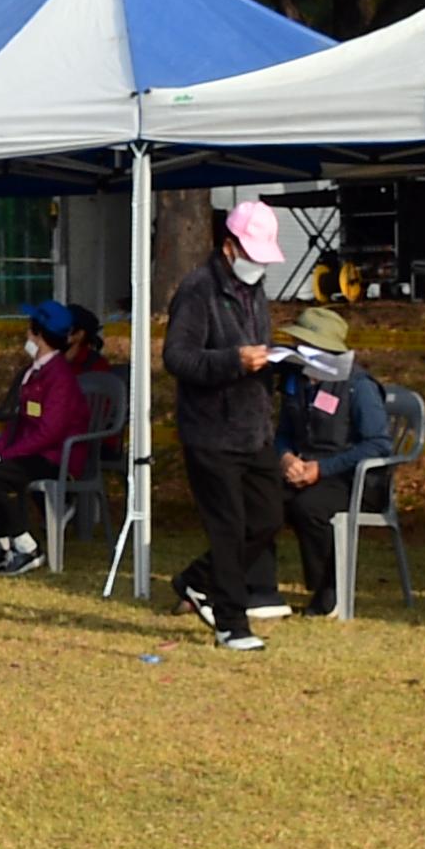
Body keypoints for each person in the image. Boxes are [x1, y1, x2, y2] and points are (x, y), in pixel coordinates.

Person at [167, 199, 288, 649]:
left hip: (254, 426)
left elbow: (259, 346)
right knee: (228, 526)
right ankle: (230, 623)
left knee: (268, 517)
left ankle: (197, 580)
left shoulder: (253, 291)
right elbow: (177, 357)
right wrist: (232, 361)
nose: (258, 265)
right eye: (253, 255)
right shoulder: (198, 290)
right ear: (229, 246)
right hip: (211, 431)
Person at [273, 305, 393, 616]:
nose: (300, 351)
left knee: (308, 507)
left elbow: (378, 444)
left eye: (307, 347)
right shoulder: (295, 381)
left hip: (353, 479)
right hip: (305, 468)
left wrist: (322, 469)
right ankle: (256, 588)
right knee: (259, 497)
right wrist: (284, 457)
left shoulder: (359, 386)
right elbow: (283, 431)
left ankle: (329, 590)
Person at [0, 300, 86, 573]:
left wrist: (4, 455)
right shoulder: (37, 371)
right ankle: (1, 544)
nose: (26, 335)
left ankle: (27, 546)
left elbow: (49, 431)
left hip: (54, 457)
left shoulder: (59, 377)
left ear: (39, 334)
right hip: (32, 450)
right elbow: (21, 419)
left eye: (30, 330)